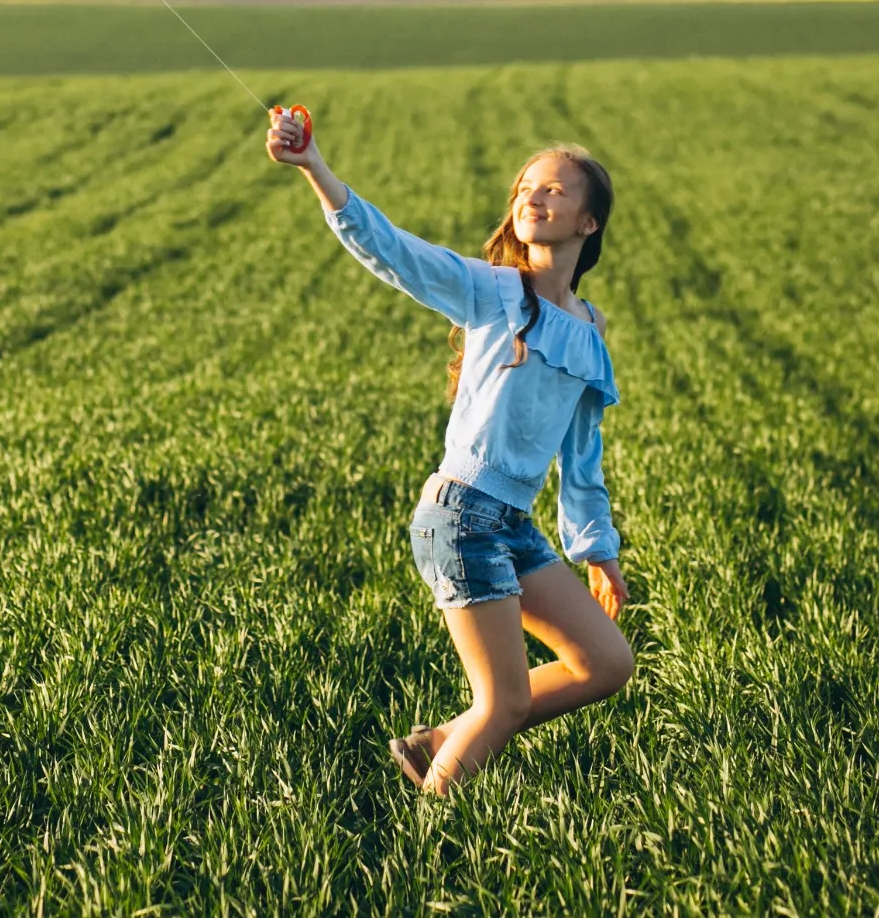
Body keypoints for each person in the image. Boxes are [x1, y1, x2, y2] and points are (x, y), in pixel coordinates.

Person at [266, 110, 635, 795]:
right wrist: (317, 168)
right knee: (504, 703)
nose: (533, 196)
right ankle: (431, 837)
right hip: (461, 515)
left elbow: (583, 456)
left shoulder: (590, 329)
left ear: (590, 222)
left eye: (554, 189)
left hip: (513, 525)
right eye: (526, 187)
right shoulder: (494, 290)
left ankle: (441, 741)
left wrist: (598, 553)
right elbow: (394, 252)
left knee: (606, 661)